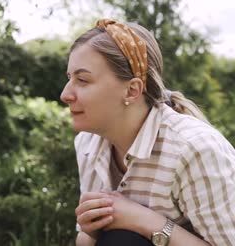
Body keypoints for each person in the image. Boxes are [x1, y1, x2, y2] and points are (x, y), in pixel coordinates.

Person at [60, 19, 235, 246]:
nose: (65, 94)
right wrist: (90, 232)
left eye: (82, 80)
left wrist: (145, 221)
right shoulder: (88, 144)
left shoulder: (195, 149)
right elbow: (86, 241)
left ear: (132, 90)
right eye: (69, 79)